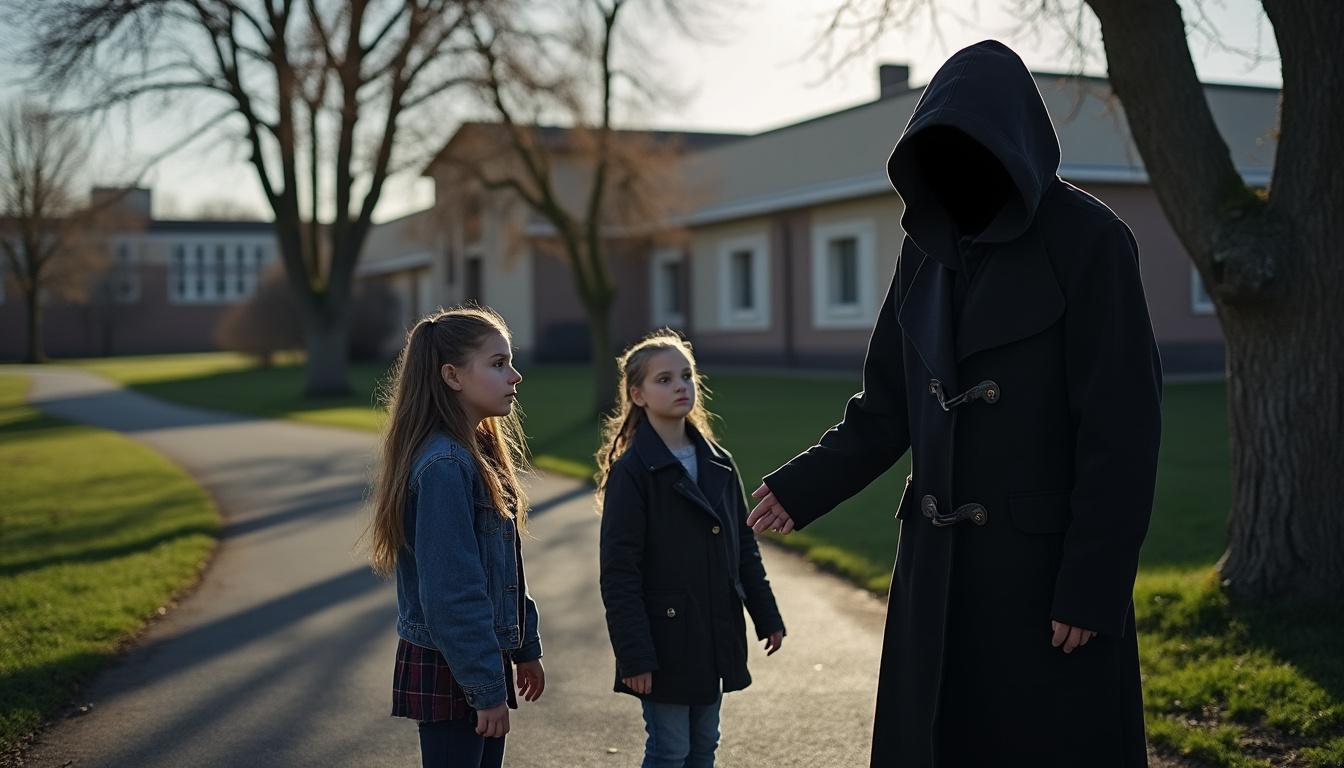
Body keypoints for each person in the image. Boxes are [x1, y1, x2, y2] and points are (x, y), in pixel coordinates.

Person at [747, 40, 1162, 767]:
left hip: (1042, 584)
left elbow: (1122, 434)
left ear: (1014, 142)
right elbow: (884, 406)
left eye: (974, 148)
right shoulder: (925, 251)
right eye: (940, 150)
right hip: (935, 577)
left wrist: (1092, 586)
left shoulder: (1091, 240)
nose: (958, 168)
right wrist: (802, 484)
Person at [364, 306, 545, 768]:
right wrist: (486, 689)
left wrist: (525, 647)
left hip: (476, 657)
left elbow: (504, 567)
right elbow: (452, 593)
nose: (515, 376)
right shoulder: (446, 466)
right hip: (455, 663)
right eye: (498, 363)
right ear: (452, 376)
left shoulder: (477, 453)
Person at [598, 331, 786, 768]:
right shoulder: (633, 473)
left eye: (686, 375)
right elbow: (619, 573)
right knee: (670, 750)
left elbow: (744, 551)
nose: (681, 385)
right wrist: (635, 655)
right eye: (664, 379)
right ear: (637, 394)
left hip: (713, 633)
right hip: (663, 644)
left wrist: (767, 615)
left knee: (705, 746)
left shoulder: (719, 462)